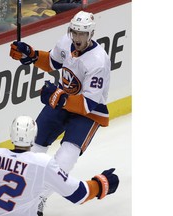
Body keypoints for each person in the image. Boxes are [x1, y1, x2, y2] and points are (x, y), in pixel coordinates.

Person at [9, 10, 111, 215]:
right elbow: (52, 63)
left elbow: (88, 104)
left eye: (82, 34)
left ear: (90, 34)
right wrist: (31, 54)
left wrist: (58, 97)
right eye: (74, 32)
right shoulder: (66, 41)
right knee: (34, 145)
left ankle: (38, 199)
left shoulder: (98, 61)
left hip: (88, 113)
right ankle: (21, 192)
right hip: (62, 100)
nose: (77, 37)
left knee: (64, 159)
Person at [0, 116, 119, 216]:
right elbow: (79, 194)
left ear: (11, 135)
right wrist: (103, 183)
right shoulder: (43, 164)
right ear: (34, 136)